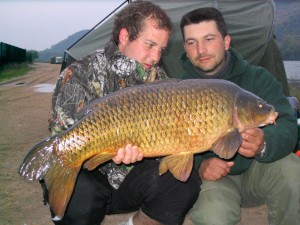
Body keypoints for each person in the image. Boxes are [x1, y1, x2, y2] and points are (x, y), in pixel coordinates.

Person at [46, 1, 200, 225]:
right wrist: (108, 149)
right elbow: (63, 137)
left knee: (183, 183)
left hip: (128, 182)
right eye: (149, 45)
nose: (156, 57)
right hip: (89, 177)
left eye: (161, 49)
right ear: (125, 36)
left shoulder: (161, 83)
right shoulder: (80, 74)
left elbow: (169, 143)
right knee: (81, 197)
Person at [179, 7, 300, 225]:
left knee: (293, 170)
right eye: (191, 42)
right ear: (185, 48)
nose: (201, 49)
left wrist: (264, 144)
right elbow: (168, 145)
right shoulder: (178, 90)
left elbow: (288, 126)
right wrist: (200, 166)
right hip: (216, 181)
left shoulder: (258, 79)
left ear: (226, 42)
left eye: (208, 39)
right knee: (213, 215)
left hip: (260, 172)